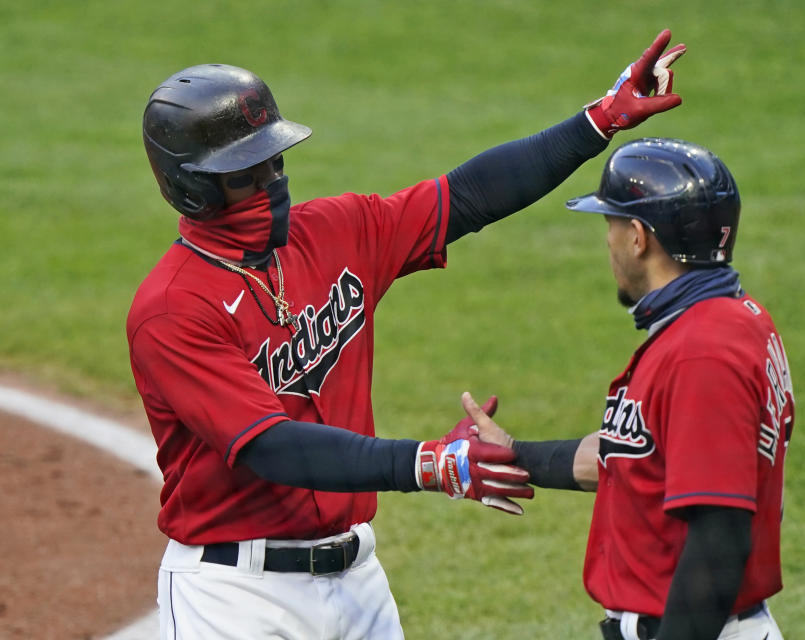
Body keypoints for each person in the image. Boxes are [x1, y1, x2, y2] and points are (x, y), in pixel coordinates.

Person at [126, 30, 687, 639]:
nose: (272, 183)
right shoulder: (173, 309)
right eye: (247, 173)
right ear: (193, 188)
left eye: (275, 161)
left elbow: (468, 196)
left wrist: (599, 120)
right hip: (237, 597)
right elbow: (273, 448)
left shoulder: (334, 231)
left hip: (358, 578)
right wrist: (428, 463)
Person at [460, 138, 795, 640]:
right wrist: (513, 453)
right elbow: (644, 457)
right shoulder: (734, 320)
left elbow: (718, 540)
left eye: (610, 223)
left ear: (639, 236)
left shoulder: (701, 354)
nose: (609, 240)